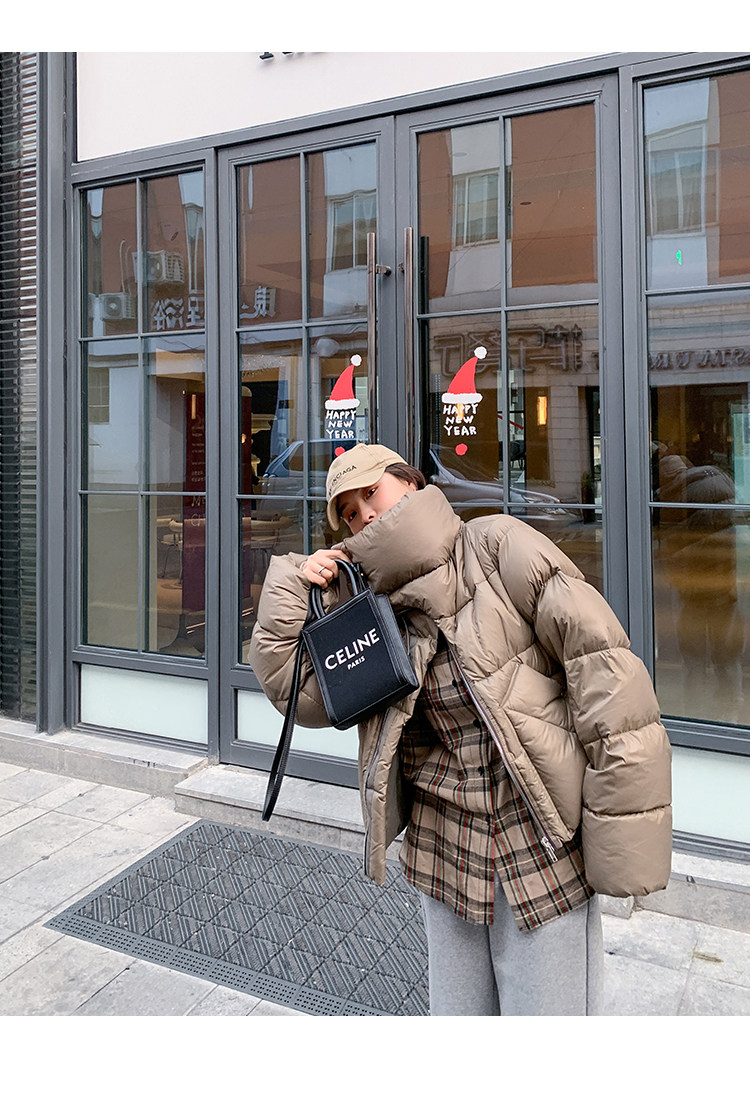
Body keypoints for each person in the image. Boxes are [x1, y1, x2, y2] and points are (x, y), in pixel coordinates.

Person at [249, 443, 672, 1016]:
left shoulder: (496, 546)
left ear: (411, 483)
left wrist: (622, 843)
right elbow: (299, 694)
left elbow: (608, 678)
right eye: (348, 513)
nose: (364, 515)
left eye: (371, 493)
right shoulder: (368, 605)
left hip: (537, 848)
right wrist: (292, 587)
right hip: (442, 854)